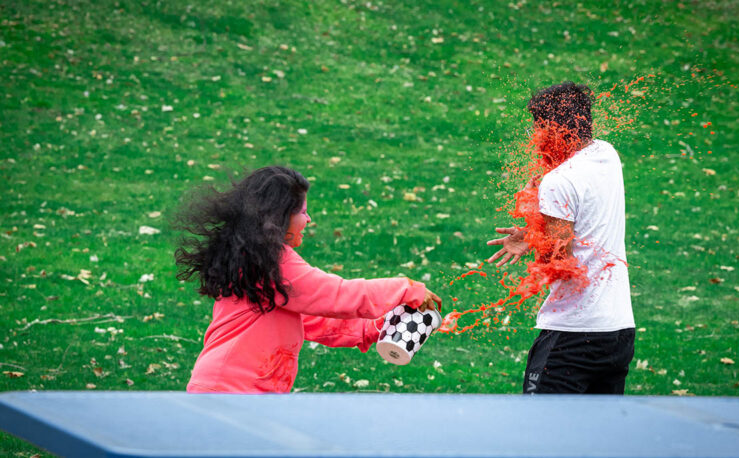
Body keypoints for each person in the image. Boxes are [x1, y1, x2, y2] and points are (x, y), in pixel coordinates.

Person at [175, 166, 441, 393]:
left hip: (233, 390)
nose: (309, 219)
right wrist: (404, 288)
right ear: (278, 218)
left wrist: (374, 327)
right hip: (230, 392)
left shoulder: (258, 263)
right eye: (303, 212)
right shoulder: (275, 263)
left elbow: (313, 320)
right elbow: (334, 294)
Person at [487, 81, 635, 394]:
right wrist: (534, 233)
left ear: (555, 129)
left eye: (538, 128)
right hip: (618, 332)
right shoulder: (607, 154)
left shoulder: (557, 182)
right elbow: (583, 218)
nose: (535, 137)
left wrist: (533, 209)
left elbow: (557, 262)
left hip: (573, 336)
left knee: (541, 436)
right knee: (597, 438)